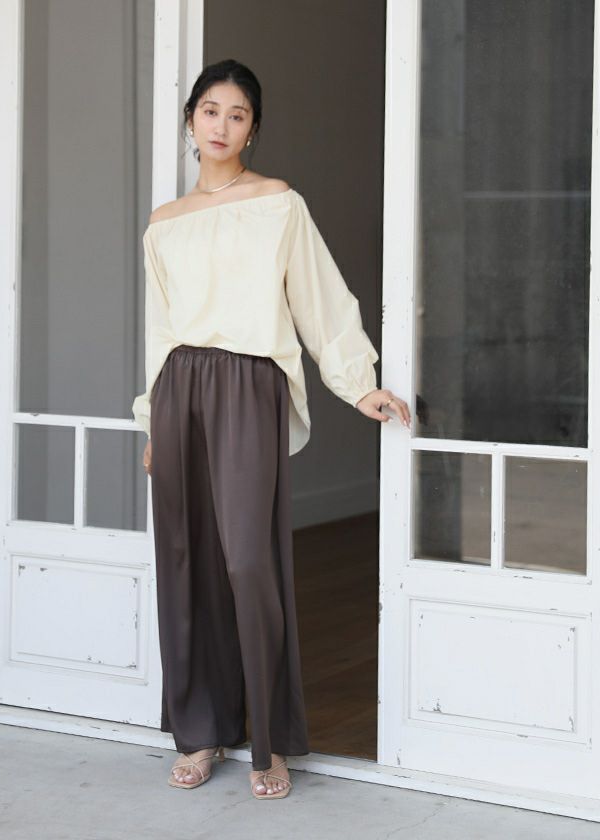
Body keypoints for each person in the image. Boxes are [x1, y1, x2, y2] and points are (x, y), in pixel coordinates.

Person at [132, 58, 411, 800]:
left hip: (249, 385)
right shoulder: (163, 222)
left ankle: (270, 742)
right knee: (186, 562)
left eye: (238, 114)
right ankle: (201, 731)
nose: (222, 125)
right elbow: (159, 330)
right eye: (211, 110)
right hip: (179, 387)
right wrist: (152, 419)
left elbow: (321, 298)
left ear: (253, 128)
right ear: (191, 120)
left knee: (249, 563)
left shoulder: (278, 203)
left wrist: (357, 383)